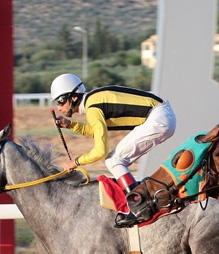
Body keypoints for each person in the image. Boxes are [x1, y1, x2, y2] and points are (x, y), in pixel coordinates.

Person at [50, 73, 177, 227]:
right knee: (115, 159)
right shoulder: (93, 101)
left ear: (74, 97)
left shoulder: (92, 108)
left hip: (158, 118)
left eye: (61, 101)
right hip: (161, 116)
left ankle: (138, 204)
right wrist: (71, 125)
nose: (59, 107)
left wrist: (76, 162)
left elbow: (100, 150)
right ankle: (139, 200)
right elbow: (95, 131)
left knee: (113, 159)